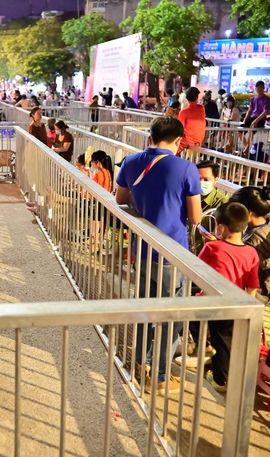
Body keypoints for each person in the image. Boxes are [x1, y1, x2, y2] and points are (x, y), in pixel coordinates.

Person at [115, 117, 202, 393]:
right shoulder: (186, 168)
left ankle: (140, 364)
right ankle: (161, 376)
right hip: (172, 252)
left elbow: (120, 198)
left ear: (150, 137)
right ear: (179, 141)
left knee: (144, 308)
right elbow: (196, 216)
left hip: (141, 248)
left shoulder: (130, 162)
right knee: (170, 315)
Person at [199, 201, 260, 392]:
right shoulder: (251, 252)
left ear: (221, 227)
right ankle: (226, 368)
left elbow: (196, 269)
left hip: (213, 302)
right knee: (227, 341)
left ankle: (220, 381)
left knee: (217, 341)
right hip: (237, 304)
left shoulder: (212, 248)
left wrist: (211, 242)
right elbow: (252, 285)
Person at [229, 185, 270, 306]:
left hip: (258, 292)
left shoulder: (254, 240)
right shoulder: (267, 224)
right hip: (269, 286)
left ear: (249, 212)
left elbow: (240, 269)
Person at [88, 150, 114, 253]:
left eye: (93, 161)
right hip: (106, 202)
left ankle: (94, 246)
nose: (92, 164)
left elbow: (93, 188)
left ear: (98, 162)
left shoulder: (99, 174)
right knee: (101, 226)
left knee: (96, 226)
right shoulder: (108, 173)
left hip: (99, 202)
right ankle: (96, 244)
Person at [177, 87, 206, 154]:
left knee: (171, 151)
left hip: (187, 140)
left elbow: (179, 128)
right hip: (199, 139)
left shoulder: (183, 112)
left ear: (186, 98)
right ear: (197, 97)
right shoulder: (202, 108)